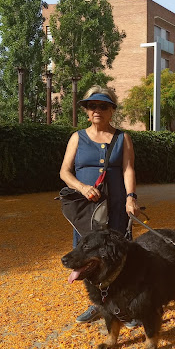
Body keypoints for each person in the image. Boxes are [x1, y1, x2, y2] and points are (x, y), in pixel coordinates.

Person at [60, 85, 140, 324]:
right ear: (86, 111)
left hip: (116, 207)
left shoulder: (122, 138)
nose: (97, 110)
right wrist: (82, 188)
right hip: (87, 211)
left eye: (103, 106)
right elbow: (65, 172)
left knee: (119, 256)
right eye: (92, 106)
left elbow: (128, 169)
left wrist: (131, 197)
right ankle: (98, 305)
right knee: (87, 257)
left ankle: (122, 307)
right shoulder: (77, 138)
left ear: (112, 110)